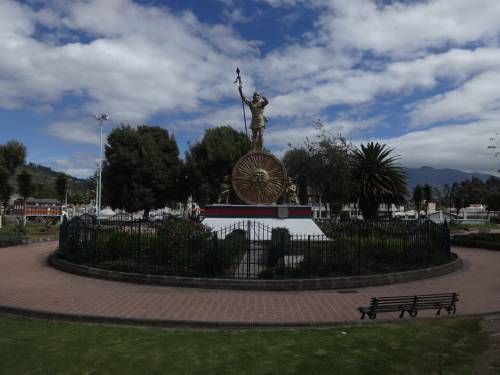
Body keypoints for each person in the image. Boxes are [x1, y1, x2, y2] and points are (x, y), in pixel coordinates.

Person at [238, 86, 268, 150]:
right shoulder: (251, 103)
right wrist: (240, 91)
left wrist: (265, 99)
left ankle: (260, 149)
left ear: (260, 97)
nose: (257, 96)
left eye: (258, 95)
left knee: (260, 135)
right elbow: (244, 98)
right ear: (253, 96)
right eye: (256, 95)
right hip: (254, 121)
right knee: (254, 136)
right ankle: (253, 149)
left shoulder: (261, 103)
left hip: (260, 120)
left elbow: (266, 102)